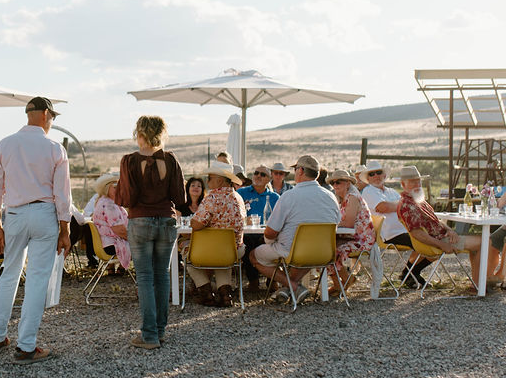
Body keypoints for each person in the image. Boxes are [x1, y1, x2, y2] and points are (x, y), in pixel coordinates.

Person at [0, 96, 71, 364]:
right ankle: (26, 346)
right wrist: (65, 229)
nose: (52, 122)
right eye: (53, 117)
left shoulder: (5, 143)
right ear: (45, 114)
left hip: (14, 214)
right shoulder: (54, 147)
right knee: (36, 280)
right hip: (44, 213)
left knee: (9, 273)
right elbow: (63, 195)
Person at [115, 115, 185, 350]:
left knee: (145, 277)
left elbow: (126, 198)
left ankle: (149, 335)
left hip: (141, 221)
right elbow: (180, 197)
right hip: (166, 220)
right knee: (162, 275)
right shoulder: (171, 160)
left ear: (140, 134)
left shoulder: (130, 161)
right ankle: (160, 331)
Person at [249, 156, 340, 303]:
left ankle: (292, 286)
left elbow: (270, 232)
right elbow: (336, 224)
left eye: (295, 169)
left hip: (293, 252)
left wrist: (269, 241)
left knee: (254, 256)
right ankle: (289, 288)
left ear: (301, 171)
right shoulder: (331, 197)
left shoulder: (289, 196)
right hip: (323, 253)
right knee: (305, 254)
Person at [396, 165, 482, 289]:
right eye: (412, 182)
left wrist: (450, 230)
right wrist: (442, 245)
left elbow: (436, 221)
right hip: (439, 241)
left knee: (481, 241)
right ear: (403, 185)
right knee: (483, 242)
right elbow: (417, 234)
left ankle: (478, 283)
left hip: (444, 236)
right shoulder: (408, 205)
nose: (417, 185)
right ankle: (481, 284)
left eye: (418, 181)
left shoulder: (418, 200)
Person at [187, 163, 247, 307]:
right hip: (234, 251)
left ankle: (206, 293)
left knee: (188, 259)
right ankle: (226, 294)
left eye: (210, 178)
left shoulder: (212, 198)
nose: (207, 181)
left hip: (209, 251)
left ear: (220, 180)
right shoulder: (238, 197)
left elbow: (196, 224)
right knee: (222, 260)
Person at [361, 160, 419, 285]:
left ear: (384, 175)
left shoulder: (391, 191)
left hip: (404, 230)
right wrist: (404, 204)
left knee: (430, 241)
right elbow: (384, 207)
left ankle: (409, 274)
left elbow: (409, 207)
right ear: (368, 178)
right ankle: (410, 274)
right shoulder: (368, 191)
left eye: (378, 172)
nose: (376, 176)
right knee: (425, 242)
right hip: (388, 234)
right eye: (372, 174)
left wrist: (401, 205)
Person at [327, 169, 375, 286]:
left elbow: (348, 223)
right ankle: (340, 284)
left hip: (361, 240)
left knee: (332, 252)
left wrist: (331, 225)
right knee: (325, 249)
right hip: (350, 236)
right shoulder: (342, 199)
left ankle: (345, 282)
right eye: (333, 183)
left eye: (338, 182)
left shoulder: (352, 197)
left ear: (348, 183)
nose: (335, 185)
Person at [91, 173, 130, 270]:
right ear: (106, 188)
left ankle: (120, 268)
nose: (119, 190)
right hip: (112, 245)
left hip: (106, 243)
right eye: (115, 187)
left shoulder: (103, 201)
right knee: (146, 244)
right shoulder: (109, 205)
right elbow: (119, 230)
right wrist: (136, 239)